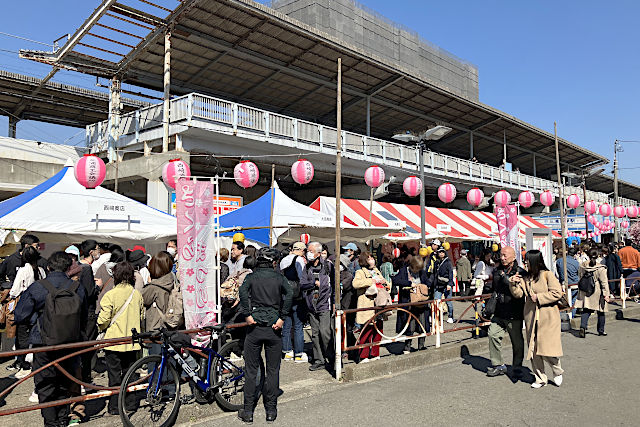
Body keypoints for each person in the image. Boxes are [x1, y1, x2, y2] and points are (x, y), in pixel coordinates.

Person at [13, 251, 87, 427]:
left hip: (43, 342)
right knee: (64, 382)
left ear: (48, 267)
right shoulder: (78, 288)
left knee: (45, 384)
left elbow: (20, 315)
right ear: (69, 267)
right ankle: (62, 419)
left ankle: (50, 421)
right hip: (71, 342)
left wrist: (37, 320)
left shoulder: (38, 287)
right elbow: (83, 316)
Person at [237, 247, 293, 424]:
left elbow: (242, 292)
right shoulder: (279, 277)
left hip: (254, 328)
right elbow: (290, 293)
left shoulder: (251, 277)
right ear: (273, 261)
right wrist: (282, 317)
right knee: (272, 370)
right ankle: (270, 410)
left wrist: (247, 314)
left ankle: (248, 411)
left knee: (251, 371)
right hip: (274, 327)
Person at [509, 250, 564, 389]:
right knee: (533, 348)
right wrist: (513, 284)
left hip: (548, 316)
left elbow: (557, 292)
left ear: (534, 261)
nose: (525, 262)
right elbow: (518, 294)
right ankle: (540, 378)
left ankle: (557, 370)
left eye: (527, 260)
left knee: (546, 347)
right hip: (531, 316)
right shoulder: (525, 277)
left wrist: (539, 297)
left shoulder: (547, 275)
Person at [97, 261, 144, 416]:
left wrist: (100, 326)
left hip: (113, 342)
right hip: (132, 341)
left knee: (114, 376)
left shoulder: (110, 295)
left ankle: (115, 406)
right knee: (131, 374)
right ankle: (131, 404)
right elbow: (141, 316)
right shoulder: (136, 294)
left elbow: (103, 320)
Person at [484, 247, 526, 378]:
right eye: (501, 255)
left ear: (513, 257)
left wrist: (508, 279)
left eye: (505, 256)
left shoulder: (520, 272)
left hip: (514, 311)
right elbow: (496, 284)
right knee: (493, 334)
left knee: (517, 342)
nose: (502, 258)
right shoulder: (498, 270)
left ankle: (517, 367)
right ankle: (498, 365)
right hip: (499, 310)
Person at [8, 246, 47, 378]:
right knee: (34, 335)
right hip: (38, 307)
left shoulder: (23, 270)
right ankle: (33, 363)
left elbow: (15, 290)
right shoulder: (41, 270)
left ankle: (23, 365)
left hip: (24, 306)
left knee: (21, 337)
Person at [300, 241, 335, 371]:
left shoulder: (328, 266)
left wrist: (336, 302)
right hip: (311, 305)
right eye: (308, 251)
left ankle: (332, 358)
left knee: (325, 332)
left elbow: (336, 284)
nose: (308, 254)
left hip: (325, 304)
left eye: (311, 251)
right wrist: (313, 284)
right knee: (315, 334)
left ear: (319, 253)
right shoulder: (307, 267)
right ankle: (319, 360)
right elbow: (302, 284)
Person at [352, 251, 390, 363]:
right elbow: (355, 284)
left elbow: (386, 282)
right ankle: (363, 355)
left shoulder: (376, 270)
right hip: (367, 303)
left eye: (372, 258)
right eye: (369, 258)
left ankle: (375, 353)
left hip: (379, 303)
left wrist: (385, 282)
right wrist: (370, 281)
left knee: (378, 329)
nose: (372, 260)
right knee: (366, 330)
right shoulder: (360, 272)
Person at [392, 256, 429, 353]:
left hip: (421, 303)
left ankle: (421, 346)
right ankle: (407, 347)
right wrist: (408, 284)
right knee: (410, 326)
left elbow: (428, 282)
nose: (417, 271)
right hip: (409, 303)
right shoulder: (404, 271)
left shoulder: (422, 272)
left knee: (422, 325)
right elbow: (395, 280)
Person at [279, 242, 308, 363]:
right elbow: (302, 279)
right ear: (301, 250)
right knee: (298, 326)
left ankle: (287, 352)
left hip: (285, 296)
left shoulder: (283, 260)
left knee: (286, 325)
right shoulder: (299, 260)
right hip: (297, 297)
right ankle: (299, 354)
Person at [78, 240, 101, 387]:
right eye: (97, 249)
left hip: (80, 312)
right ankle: (85, 379)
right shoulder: (86, 268)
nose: (99, 251)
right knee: (87, 348)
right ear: (91, 251)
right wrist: (97, 286)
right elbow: (89, 292)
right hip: (88, 312)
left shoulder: (77, 266)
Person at [577, 248, 610, 338]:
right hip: (597, 290)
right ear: (598, 255)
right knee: (601, 310)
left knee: (586, 309)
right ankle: (601, 330)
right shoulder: (601, 268)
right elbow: (604, 282)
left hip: (585, 289)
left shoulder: (582, 266)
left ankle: (583, 326)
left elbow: (580, 276)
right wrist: (606, 294)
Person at [141, 252, 177, 334]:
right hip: (170, 327)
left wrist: (148, 283)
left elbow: (142, 299)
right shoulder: (173, 280)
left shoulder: (153, 287)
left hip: (155, 329)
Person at [433, 248, 454, 323]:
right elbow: (434, 274)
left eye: (442, 252)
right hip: (438, 285)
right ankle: (435, 317)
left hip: (446, 284)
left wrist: (449, 284)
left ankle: (451, 316)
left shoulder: (448, 262)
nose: (441, 254)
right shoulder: (436, 262)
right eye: (440, 252)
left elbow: (450, 273)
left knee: (448, 301)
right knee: (436, 300)